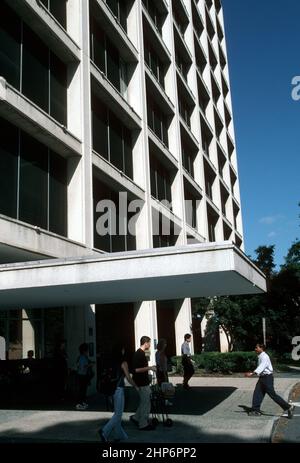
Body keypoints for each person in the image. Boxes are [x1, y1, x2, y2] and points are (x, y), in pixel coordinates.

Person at [98, 345, 138, 443]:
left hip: (111, 389)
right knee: (118, 414)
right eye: (123, 349)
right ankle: (104, 431)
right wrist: (136, 386)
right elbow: (128, 377)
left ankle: (119, 435)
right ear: (122, 351)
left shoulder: (111, 361)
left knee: (117, 413)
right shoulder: (123, 362)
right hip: (119, 389)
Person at [245, 343, 294, 418]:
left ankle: (288, 407)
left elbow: (262, 367)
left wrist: (252, 373)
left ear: (261, 348)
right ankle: (255, 410)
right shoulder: (260, 356)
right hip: (262, 378)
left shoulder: (264, 357)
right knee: (257, 393)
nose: (255, 349)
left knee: (272, 395)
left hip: (267, 378)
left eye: (256, 347)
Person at [130, 336, 156, 431]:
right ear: (145, 343)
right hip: (141, 382)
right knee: (146, 402)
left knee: (144, 401)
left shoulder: (141, 353)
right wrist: (150, 368)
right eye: (149, 343)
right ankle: (143, 424)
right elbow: (136, 370)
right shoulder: (139, 354)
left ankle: (136, 417)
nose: (150, 345)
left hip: (142, 381)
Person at [76, 342, 94, 410]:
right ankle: (79, 404)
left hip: (81, 375)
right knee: (82, 390)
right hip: (82, 375)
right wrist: (90, 365)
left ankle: (82, 402)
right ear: (84, 350)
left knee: (82, 390)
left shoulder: (81, 357)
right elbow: (83, 366)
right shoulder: (83, 357)